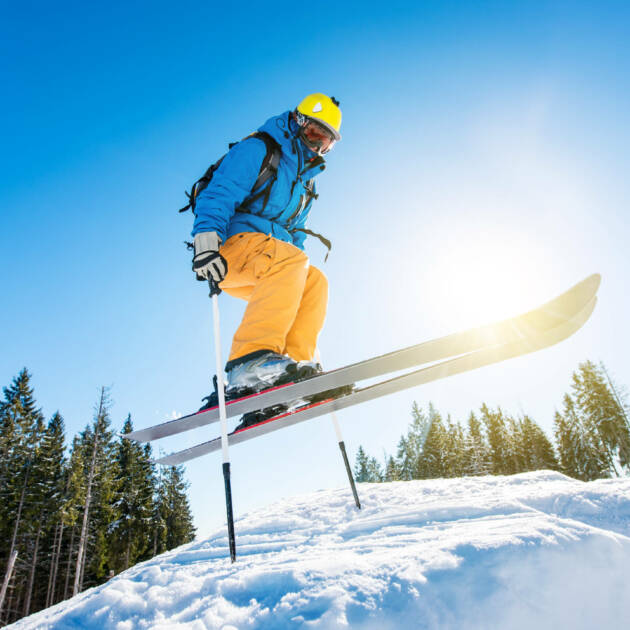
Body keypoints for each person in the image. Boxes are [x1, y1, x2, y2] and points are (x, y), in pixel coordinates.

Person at [191, 93, 342, 401]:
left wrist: (297, 269)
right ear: (297, 123)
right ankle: (249, 363)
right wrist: (205, 243)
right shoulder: (260, 149)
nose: (316, 146)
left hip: (269, 260)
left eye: (326, 143)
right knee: (291, 261)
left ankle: (296, 369)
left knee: (314, 282)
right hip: (229, 248)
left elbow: (295, 234)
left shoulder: (306, 184)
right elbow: (220, 192)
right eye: (314, 134)